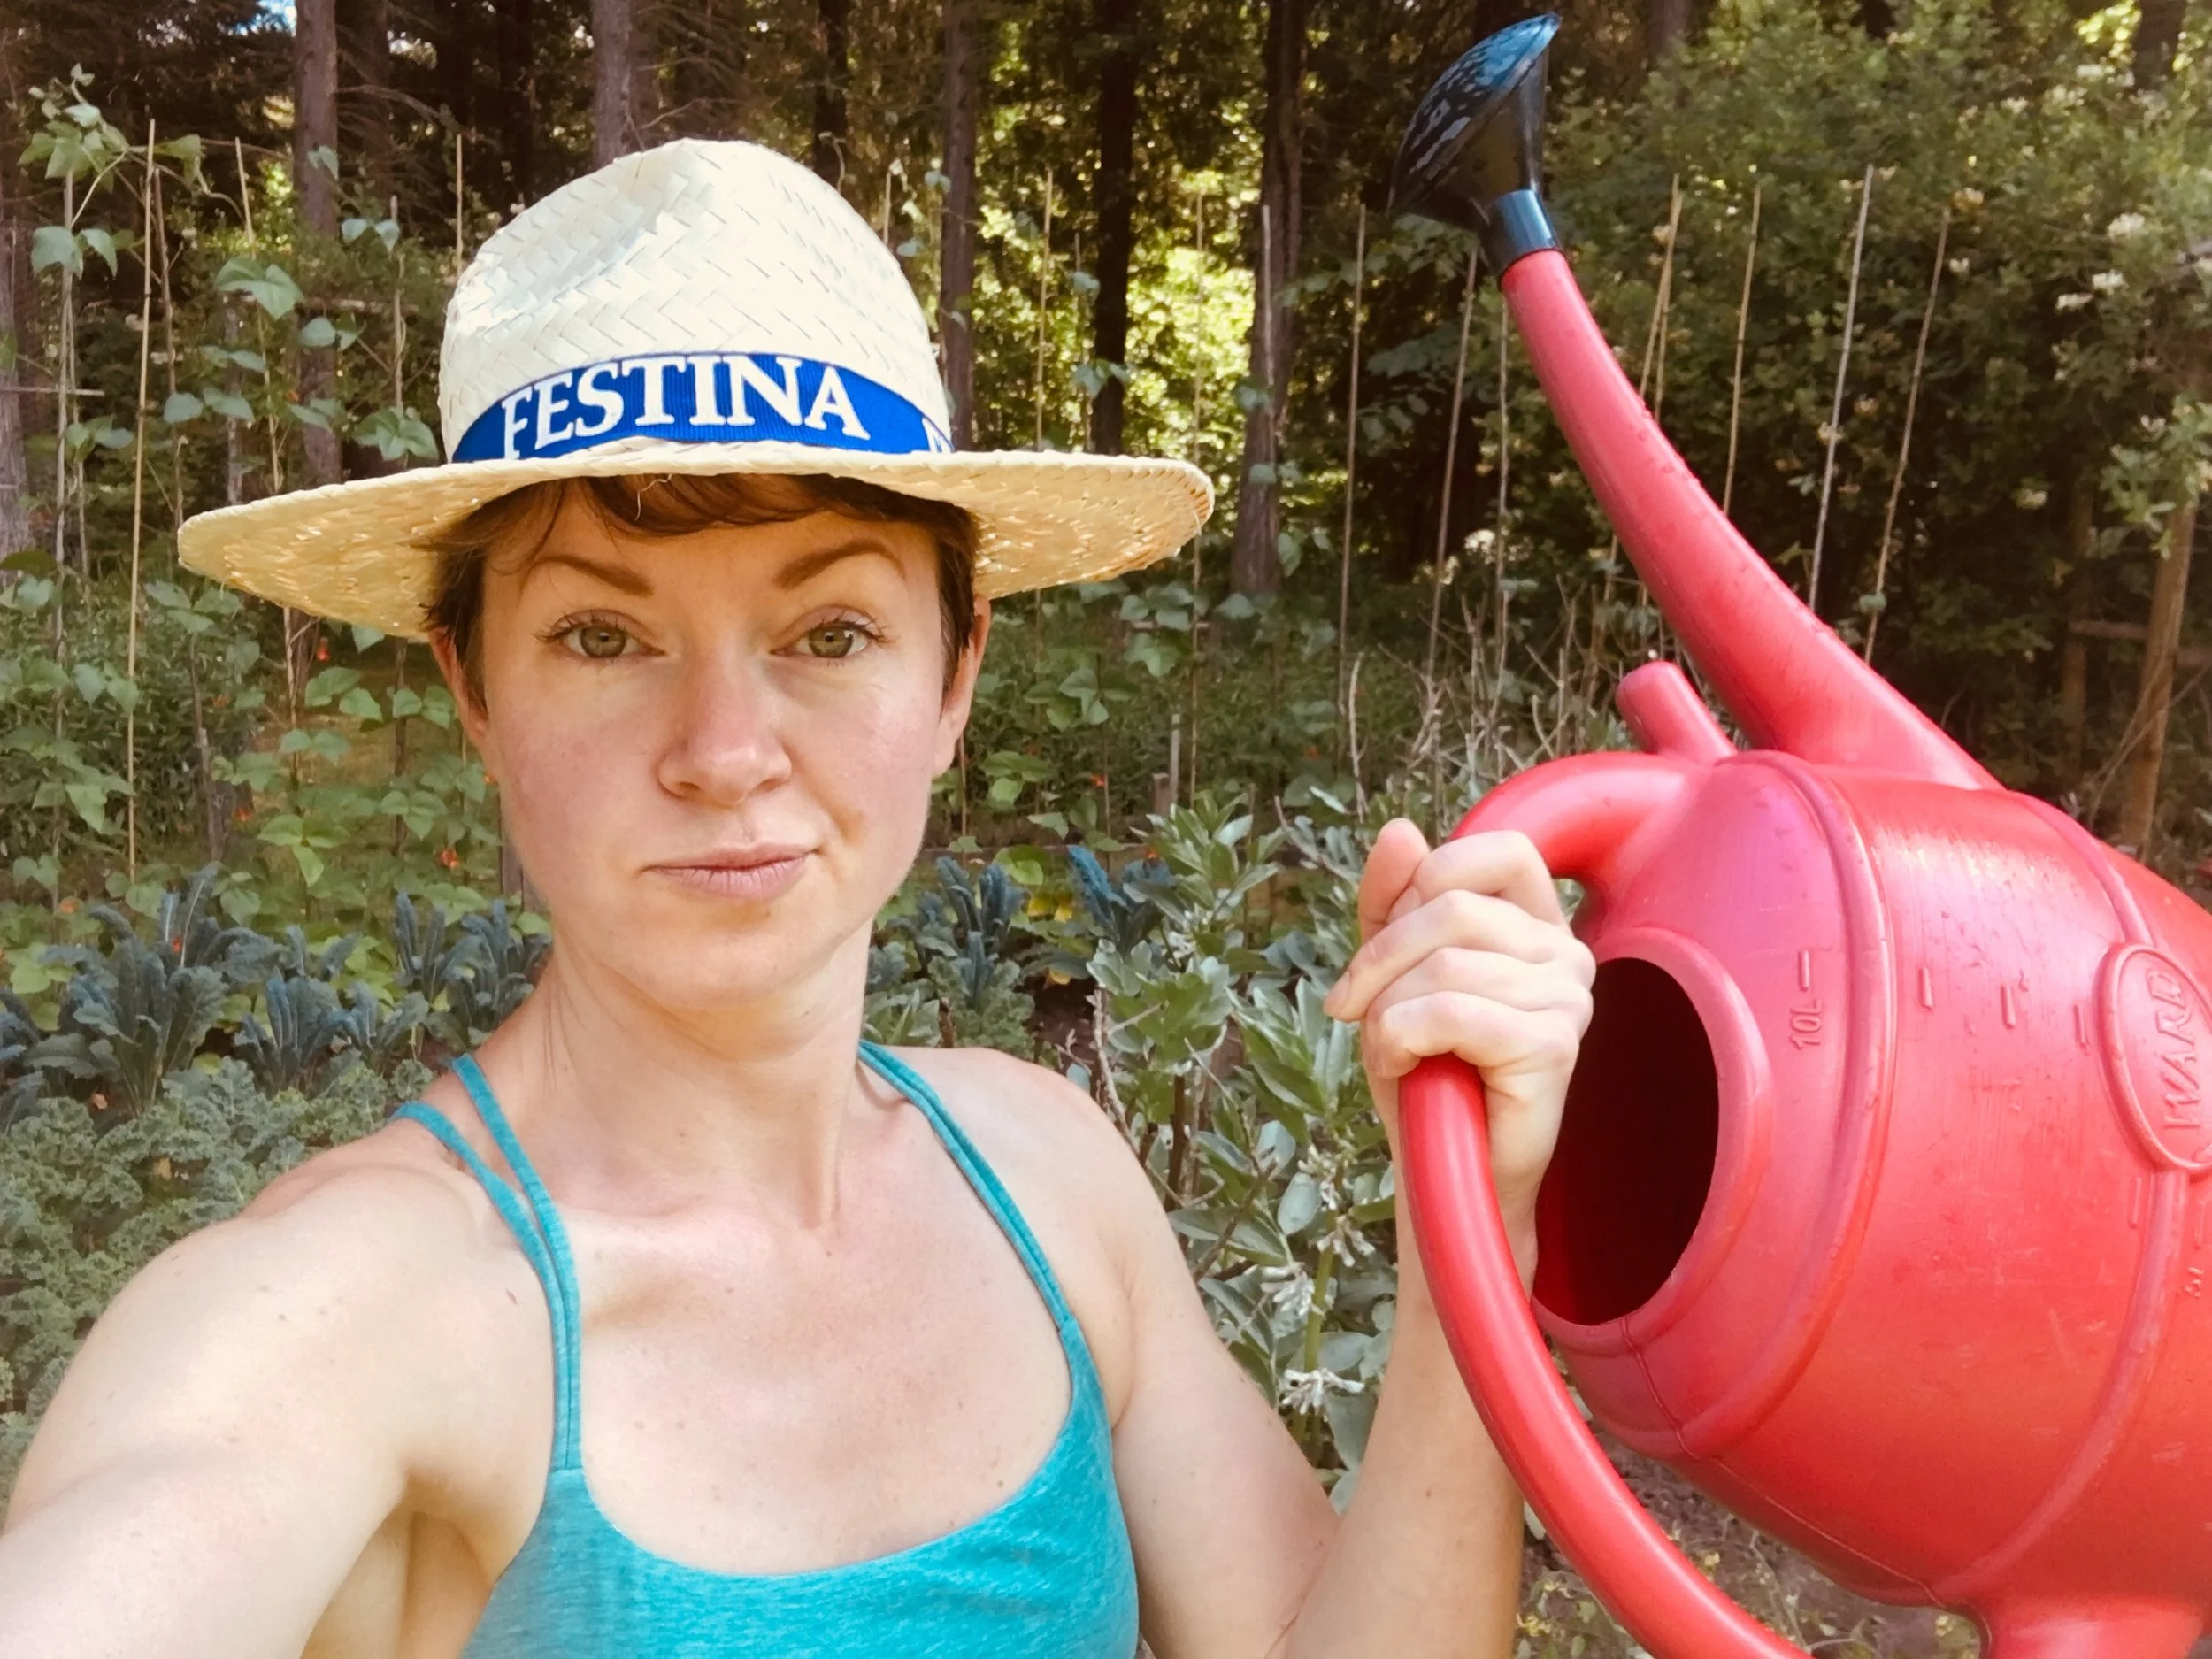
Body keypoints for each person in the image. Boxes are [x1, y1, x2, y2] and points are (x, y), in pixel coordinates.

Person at [0, 139, 1594, 1659]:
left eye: (829, 631)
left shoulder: (1050, 1178)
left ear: (956, 676)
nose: (724, 752)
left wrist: (1477, 1209)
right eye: (600, 638)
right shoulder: (356, 1308)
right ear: (473, 690)